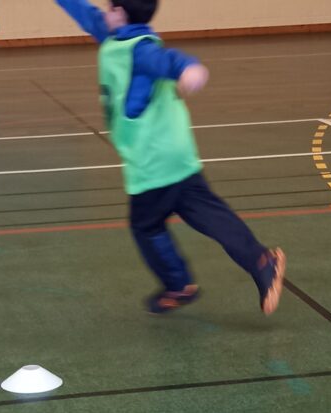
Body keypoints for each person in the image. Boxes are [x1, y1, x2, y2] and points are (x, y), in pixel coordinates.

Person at [55, 0, 286, 315]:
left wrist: (190, 68)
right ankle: (261, 261)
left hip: (153, 161)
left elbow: (169, 60)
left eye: (109, 8)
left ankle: (178, 285)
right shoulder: (114, 33)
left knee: (146, 226)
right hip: (177, 153)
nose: (103, 13)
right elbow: (84, 12)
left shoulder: (140, 50)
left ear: (120, 13)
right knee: (210, 215)